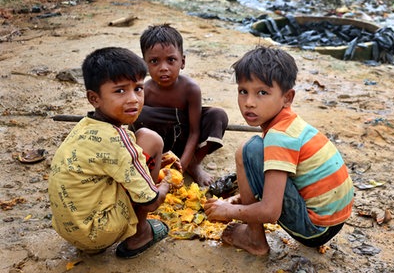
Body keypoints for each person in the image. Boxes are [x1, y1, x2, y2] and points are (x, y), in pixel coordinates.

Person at [204, 46, 354, 255]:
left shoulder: (278, 137)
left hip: (315, 228)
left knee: (248, 150)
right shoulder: (291, 124)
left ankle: (254, 239)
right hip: (334, 221)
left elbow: (270, 212)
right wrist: (243, 200)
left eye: (262, 93)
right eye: (243, 91)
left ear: (287, 97)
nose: (249, 103)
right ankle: (251, 226)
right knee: (255, 150)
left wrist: (228, 211)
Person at [48, 47, 173, 259]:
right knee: (151, 139)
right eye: (120, 91)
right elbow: (150, 201)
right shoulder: (117, 141)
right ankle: (140, 234)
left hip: (68, 228)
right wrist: (165, 186)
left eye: (138, 88)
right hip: (99, 232)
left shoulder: (84, 127)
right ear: (94, 98)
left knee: (135, 146)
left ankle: (97, 240)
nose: (133, 99)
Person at [132, 24, 229, 187]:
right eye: (154, 61)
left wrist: (181, 167)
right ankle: (156, 163)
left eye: (171, 60)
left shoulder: (190, 89)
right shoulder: (145, 91)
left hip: (187, 141)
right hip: (160, 144)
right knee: (138, 114)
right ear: (145, 65)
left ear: (182, 61)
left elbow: (194, 131)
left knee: (218, 115)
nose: (164, 68)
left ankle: (194, 163)